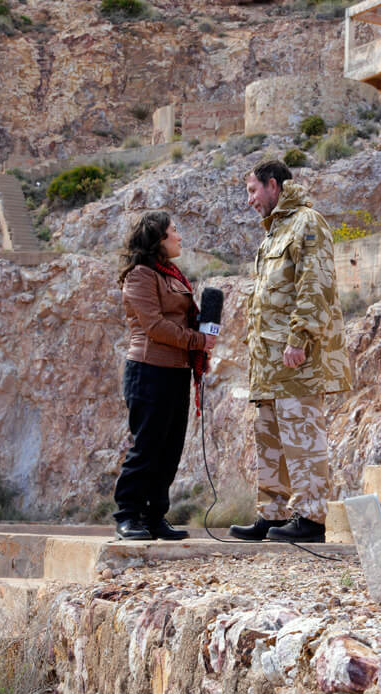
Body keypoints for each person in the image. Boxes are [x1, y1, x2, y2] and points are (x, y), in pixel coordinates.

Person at [229, 161, 353, 543]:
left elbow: (315, 285)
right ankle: (273, 514)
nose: (249, 200)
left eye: (252, 191)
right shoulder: (273, 233)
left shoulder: (307, 222)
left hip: (295, 359)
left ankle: (312, 518)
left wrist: (298, 339)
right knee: (270, 440)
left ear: (273, 185)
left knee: (302, 438)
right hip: (267, 365)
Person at [113, 211, 217, 541]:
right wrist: (199, 341)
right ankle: (128, 514)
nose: (180, 237)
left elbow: (182, 321)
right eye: (174, 231)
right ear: (158, 238)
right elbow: (154, 327)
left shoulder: (171, 274)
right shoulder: (141, 275)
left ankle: (154, 515)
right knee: (146, 446)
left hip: (175, 370)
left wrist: (199, 344)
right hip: (148, 369)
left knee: (169, 448)